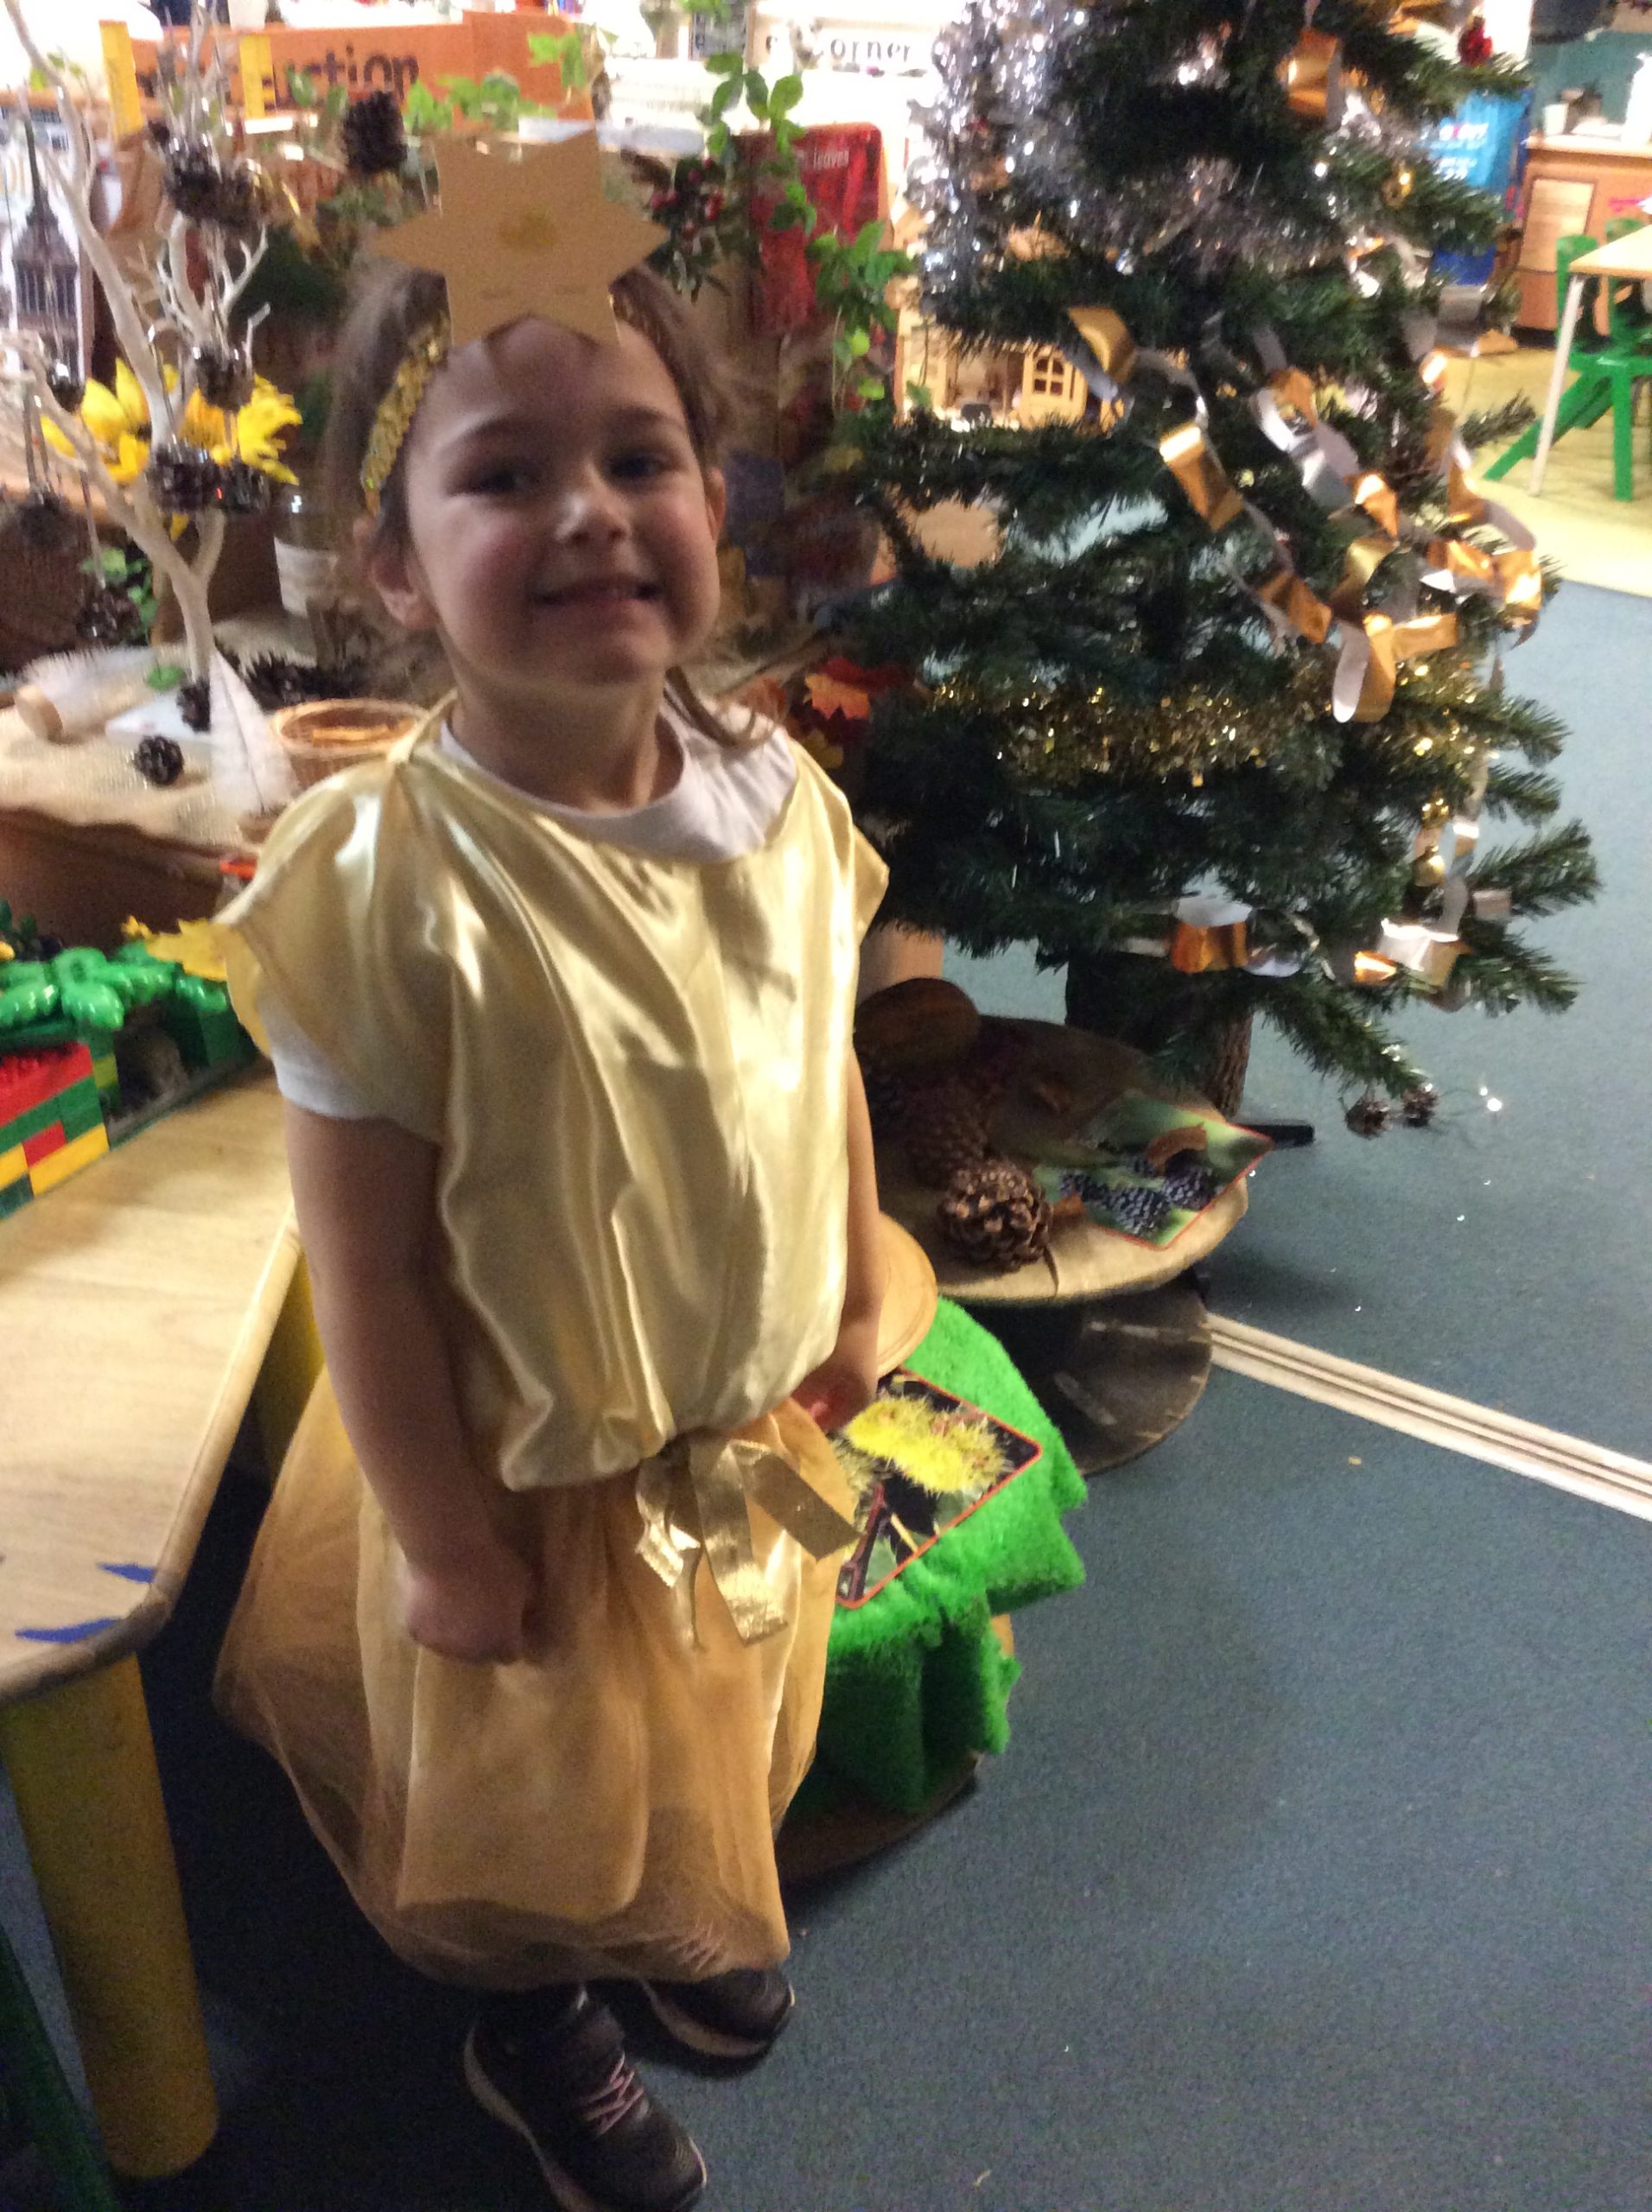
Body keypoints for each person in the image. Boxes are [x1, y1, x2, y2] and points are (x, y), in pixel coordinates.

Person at [213, 247, 888, 2212]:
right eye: (506, 475)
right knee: (528, 1794)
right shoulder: (386, 879)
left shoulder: (776, 790)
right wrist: (444, 1539)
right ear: (397, 564)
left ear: (714, 503)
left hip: (739, 1427)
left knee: (715, 1716)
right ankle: (536, 2014)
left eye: (639, 458)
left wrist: (854, 1280)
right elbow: (361, 1258)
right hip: (520, 1477)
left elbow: (822, 1051)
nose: (591, 511)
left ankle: (677, 1897)